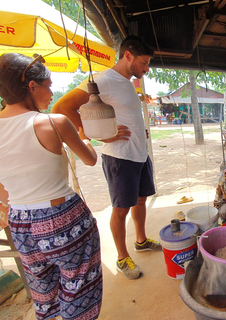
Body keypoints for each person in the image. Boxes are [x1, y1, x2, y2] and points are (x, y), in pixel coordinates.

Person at [0, 53, 102, 320]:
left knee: (43, 290)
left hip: (20, 222)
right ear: (31, 87)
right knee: (78, 288)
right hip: (63, 219)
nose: (52, 91)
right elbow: (90, 159)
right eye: (48, 85)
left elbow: (3, 189)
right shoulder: (53, 123)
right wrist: (85, 138)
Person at [52, 36, 161, 280]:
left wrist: (138, 130)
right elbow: (62, 108)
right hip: (120, 159)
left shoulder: (126, 82)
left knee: (141, 200)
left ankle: (141, 241)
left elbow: (122, 115)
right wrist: (93, 135)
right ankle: (122, 258)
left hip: (139, 154)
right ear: (128, 56)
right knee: (121, 209)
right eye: (143, 63)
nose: (145, 69)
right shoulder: (104, 79)